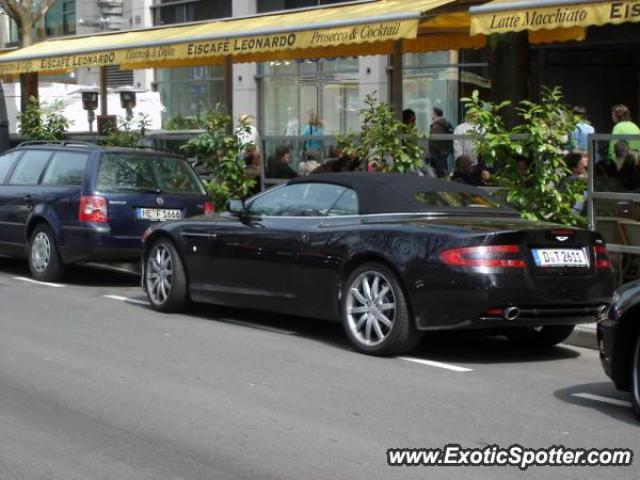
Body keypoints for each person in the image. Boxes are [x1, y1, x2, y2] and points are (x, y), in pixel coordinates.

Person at [428, 107, 454, 177]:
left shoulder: (437, 125)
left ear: (434, 114)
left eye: (432, 113)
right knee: (443, 171)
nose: (431, 114)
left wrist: (431, 153)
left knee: (440, 174)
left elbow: (435, 141)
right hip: (443, 152)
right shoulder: (444, 123)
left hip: (438, 154)